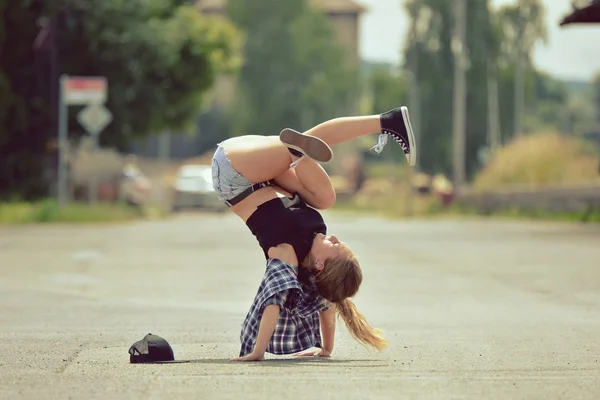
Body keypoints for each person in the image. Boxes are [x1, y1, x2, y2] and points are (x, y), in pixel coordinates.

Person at [210, 106, 417, 362]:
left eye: (336, 246)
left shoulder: (286, 254)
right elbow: (328, 308)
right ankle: (301, 152)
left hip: (234, 175)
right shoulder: (317, 234)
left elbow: (273, 303)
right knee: (327, 199)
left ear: (319, 263)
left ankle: (381, 123)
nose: (336, 239)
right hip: (269, 174)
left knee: (308, 142)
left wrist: (258, 351)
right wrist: (327, 349)